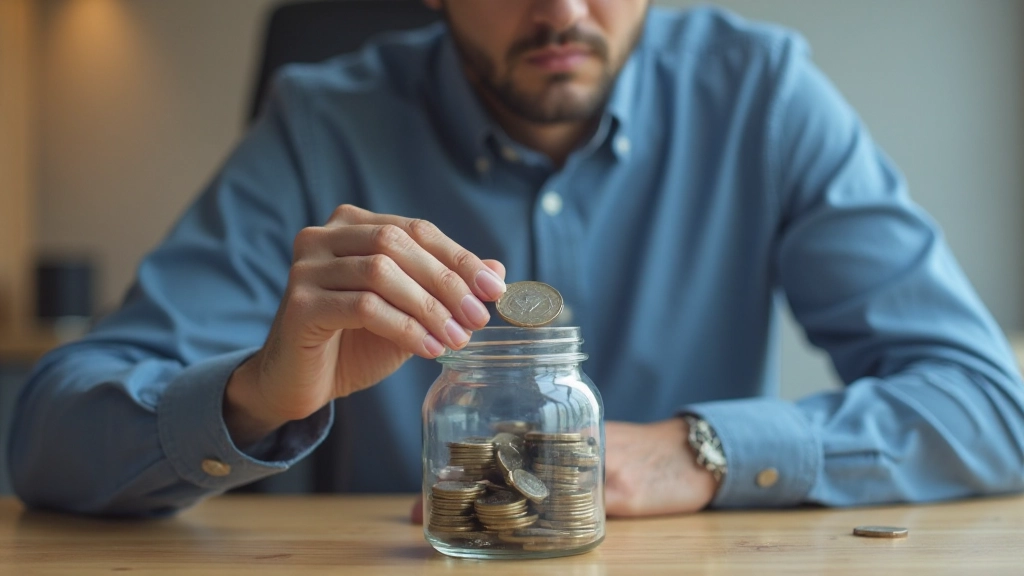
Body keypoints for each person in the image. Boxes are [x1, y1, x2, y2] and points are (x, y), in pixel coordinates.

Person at [10, 0, 1024, 519]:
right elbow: (50, 432)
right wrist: (258, 393)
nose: (563, 9)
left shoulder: (762, 92)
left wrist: (699, 453)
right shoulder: (321, 124)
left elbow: (989, 408)